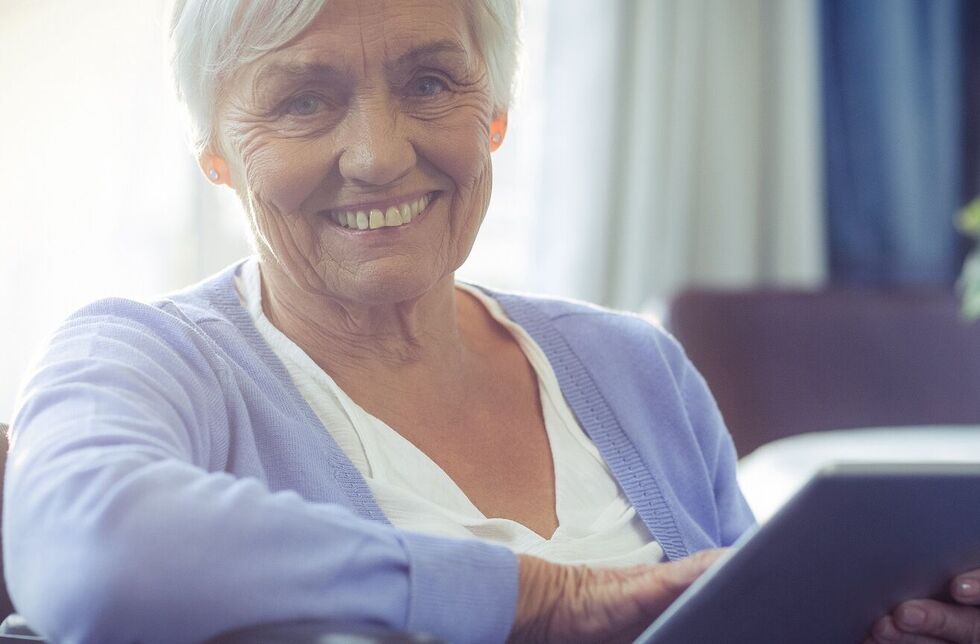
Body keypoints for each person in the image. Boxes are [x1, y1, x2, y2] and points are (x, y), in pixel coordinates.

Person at [2, 1, 977, 643]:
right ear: (214, 152)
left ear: (495, 110)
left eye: (429, 82)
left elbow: (761, 613)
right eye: (303, 100)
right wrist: (545, 597)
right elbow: (90, 556)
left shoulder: (637, 365)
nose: (378, 154)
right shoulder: (141, 356)